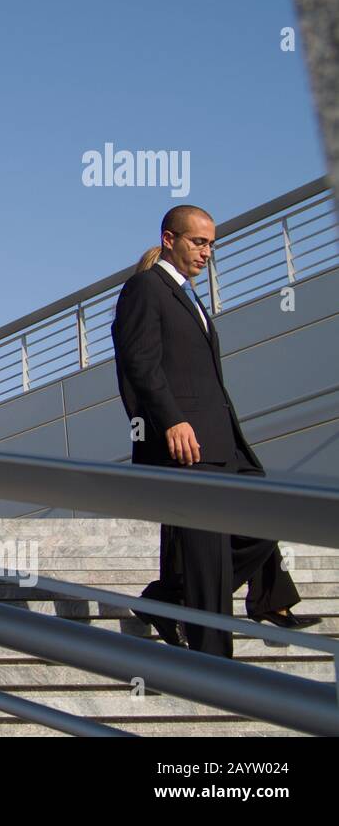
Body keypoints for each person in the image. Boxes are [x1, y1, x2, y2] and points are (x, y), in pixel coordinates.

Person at [112, 206, 319, 658]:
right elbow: (139, 362)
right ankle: (214, 664)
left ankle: (172, 600)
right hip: (185, 441)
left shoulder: (187, 295)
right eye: (198, 242)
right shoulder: (146, 287)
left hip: (222, 438)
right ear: (169, 239)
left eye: (211, 243)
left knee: (268, 515)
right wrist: (171, 420)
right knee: (206, 556)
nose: (207, 252)